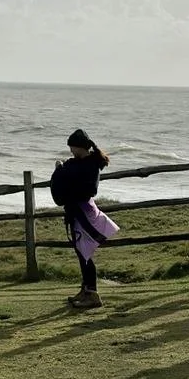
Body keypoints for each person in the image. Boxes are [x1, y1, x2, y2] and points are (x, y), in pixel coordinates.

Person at [51, 129, 117, 310]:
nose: (71, 151)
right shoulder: (78, 163)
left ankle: (92, 293)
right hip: (76, 212)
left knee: (85, 253)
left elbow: (90, 190)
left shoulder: (90, 165)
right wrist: (61, 171)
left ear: (79, 146)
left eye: (72, 147)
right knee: (81, 253)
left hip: (83, 213)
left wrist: (63, 175)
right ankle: (86, 289)